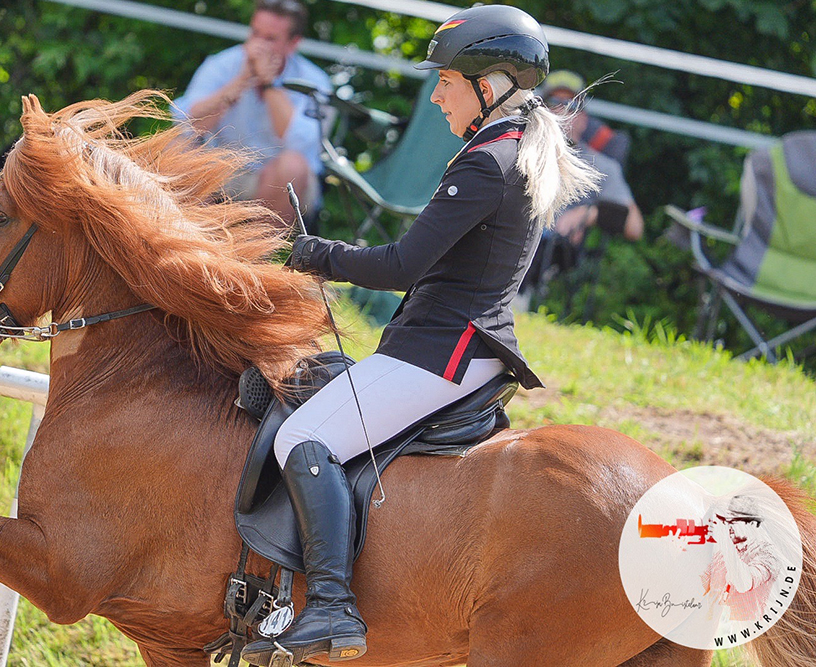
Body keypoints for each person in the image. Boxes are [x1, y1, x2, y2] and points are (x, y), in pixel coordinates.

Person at [240, 5, 601, 665]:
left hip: (440, 353)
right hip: (459, 349)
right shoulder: (506, 150)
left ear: (489, 84)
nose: (436, 93)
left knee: (304, 435)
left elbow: (402, 264)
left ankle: (328, 606)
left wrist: (312, 254)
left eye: (449, 81)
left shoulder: (485, 163)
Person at [171, 0, 330, 227]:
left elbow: (302, 145)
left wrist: (270, 84)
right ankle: (188, 244)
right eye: (255, 33)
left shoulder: (315, 81)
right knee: (178, 148)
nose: (258, 45)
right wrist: (240, 82)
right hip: (224, 169)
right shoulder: (222, 64)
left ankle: (257, 256)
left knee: (292, 166)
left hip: (282, 178)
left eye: (270, 39)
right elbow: (187, 125)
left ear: (293, 44)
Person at [540, 71, 644, 244]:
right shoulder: (517, 150)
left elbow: (635, 227)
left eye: (571, 104)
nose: (562, 111)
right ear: (541, 109)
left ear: (583, 118)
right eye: (554, 102)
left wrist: (589, 214)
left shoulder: (600, 167)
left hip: (553, 260)